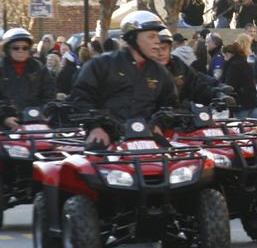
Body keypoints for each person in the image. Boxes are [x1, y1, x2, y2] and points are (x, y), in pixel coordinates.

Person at [69, 11, 178, 147]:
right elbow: (81, 97)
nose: (157, 41)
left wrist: (158, 125)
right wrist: (95, 128)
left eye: (157, 36)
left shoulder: (161, 72)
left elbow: (170, 103)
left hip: (146, 137)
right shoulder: (101, 64)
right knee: (93, 160)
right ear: (133, 38)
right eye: (151, 36)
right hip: (108, 136)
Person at [0, 28, 56, 127]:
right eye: (15, 48)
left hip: (35, 124)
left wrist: (41, 113)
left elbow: (50, 95)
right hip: (5, 127)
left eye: (25, 48)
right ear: (7, 49)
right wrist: (4, 118)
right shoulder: (1, 68)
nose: (20, 51)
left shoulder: (39, 67)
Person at [153, 29, 221, 106]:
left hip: (178, 113)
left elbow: (196, 81)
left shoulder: (177, 64)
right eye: (156, 50)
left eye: (164, 48)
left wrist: (217, 93)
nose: (160, 53)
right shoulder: (146, 69)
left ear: (170, 48)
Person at [221, 41, 257, 120]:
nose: (224, 59)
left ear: (228, 54)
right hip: (252, 100)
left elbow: (230, 84)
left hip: (240, 102)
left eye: (224, 56)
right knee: (256, 125)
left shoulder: (233, 66)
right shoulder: (245, 62)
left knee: (241, 126)